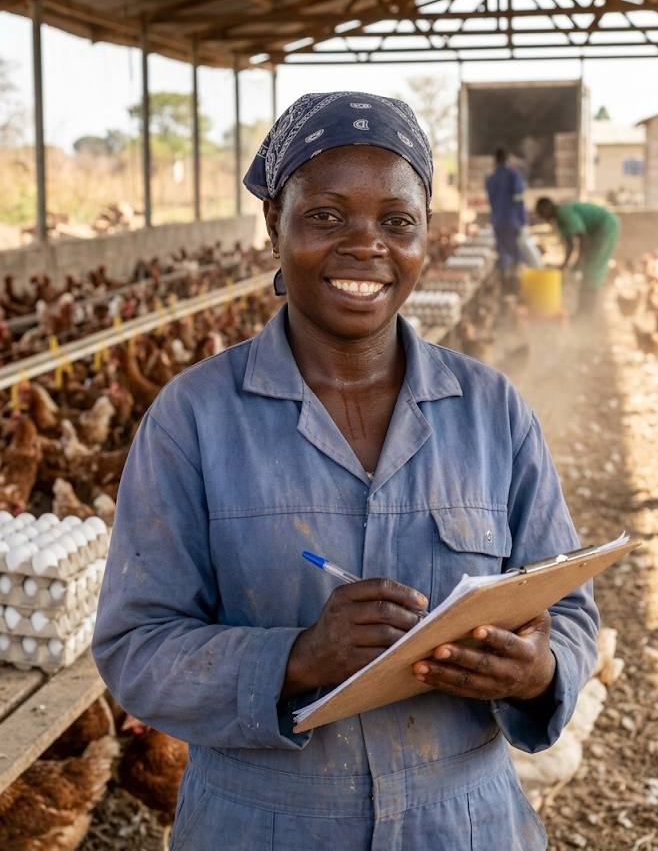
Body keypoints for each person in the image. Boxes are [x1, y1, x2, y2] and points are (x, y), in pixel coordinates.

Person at [92, 92, 599, 851]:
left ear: (425, 236)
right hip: (262, 823)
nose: (367, 246)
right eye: (326, 215)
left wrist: (537, 671)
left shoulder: (491, 411)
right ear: (274, 225)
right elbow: (135, 647)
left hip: (463, 820)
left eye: (398, 222)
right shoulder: (194, 419)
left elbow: (575, 613)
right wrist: (297, 658)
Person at [535, 197, 620, 313]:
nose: (543, 218)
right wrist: (564, 265)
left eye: (542, 214)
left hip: (606, 227)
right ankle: (584, 309)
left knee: (592, 267)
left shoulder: (564, 213)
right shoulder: (559, 219)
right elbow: (569, 245)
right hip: (599, 230)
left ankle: (587, 311)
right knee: (589, 268)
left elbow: (582, 237)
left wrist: (579, 261)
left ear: (547, 208)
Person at [485, 146, 527, 278]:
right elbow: (518, 200)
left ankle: (503, 288)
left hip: (497, 221)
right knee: (516, 252)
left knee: (502, 252)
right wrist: (523, 221)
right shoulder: (514, 175)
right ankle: (514, 287)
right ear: (508, 159)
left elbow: (492, 202)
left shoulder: (491, 179)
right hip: (512, 221)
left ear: (495, 160)